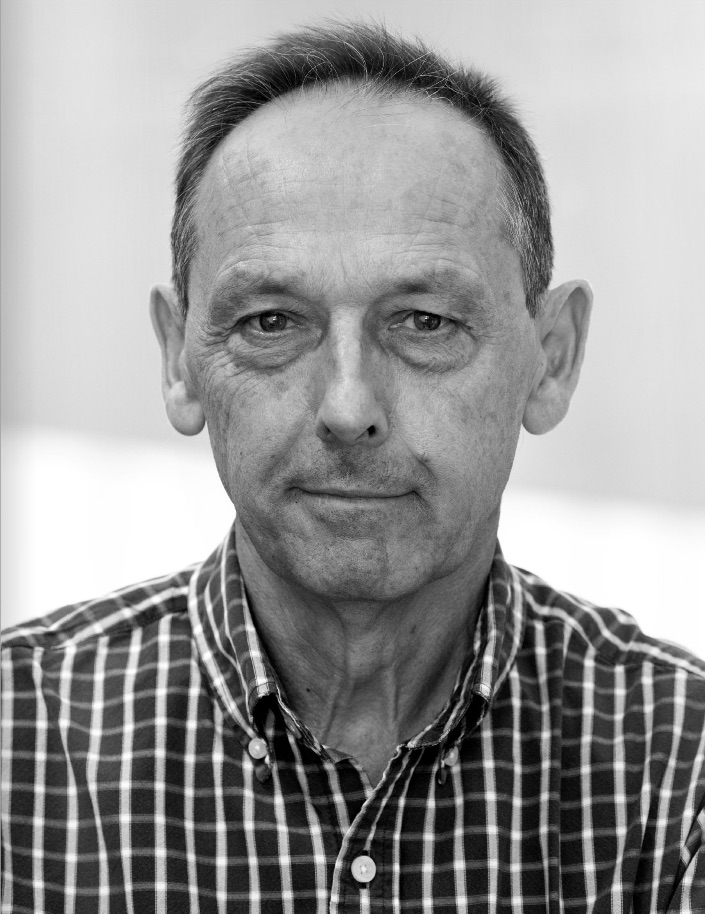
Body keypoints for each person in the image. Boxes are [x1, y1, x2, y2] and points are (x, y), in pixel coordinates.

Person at [1, 21, 703, 913]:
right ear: (179, 360)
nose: (346, 407)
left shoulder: (678, 775)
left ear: (551, 358)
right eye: (270, 322)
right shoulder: (19, 743)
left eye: (422, 322)